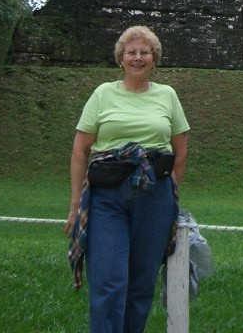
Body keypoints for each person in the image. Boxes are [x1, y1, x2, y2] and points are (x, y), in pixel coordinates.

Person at [65, 25, 190, 333]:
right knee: (108, 281)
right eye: (131, 52)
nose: (137, 58)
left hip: (154, 195)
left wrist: (168, 192)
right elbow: (81, 150)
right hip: (108, 196)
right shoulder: (103, 94)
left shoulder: (168, 96)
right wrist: (75, 203)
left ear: (154, 58)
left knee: (141, 283)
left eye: (144, 52)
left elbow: (181, 151)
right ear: (121, 58)